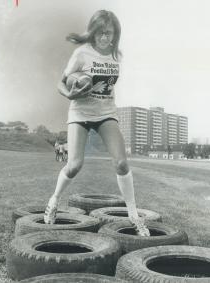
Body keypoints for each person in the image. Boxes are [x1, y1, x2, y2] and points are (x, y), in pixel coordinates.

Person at [44, 10, 150, 236]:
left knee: (122, 163)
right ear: (93, 32)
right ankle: (53, 202)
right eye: (100, 33)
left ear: (115, 34)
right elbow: (61, 84)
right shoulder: (82, 53)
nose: (104, 38)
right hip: (80, 113)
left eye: (108, 33)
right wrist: (71, 94)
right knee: (74, 165)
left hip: (106, 113)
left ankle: (133, 216)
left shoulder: (115, 55)